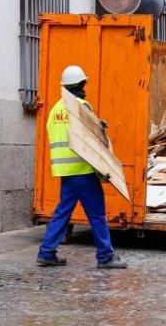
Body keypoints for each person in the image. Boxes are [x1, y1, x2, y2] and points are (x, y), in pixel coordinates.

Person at [36, 66, 127, 270]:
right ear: (79, 85)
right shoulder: (82, 106)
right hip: (83, 172)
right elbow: (92, 139)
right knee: (96, 214)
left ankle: (46, 252)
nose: (85, 88)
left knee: (62, 213)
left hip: (66, 173)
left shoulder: (55, 109)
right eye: (83, 84)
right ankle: (105, 256)